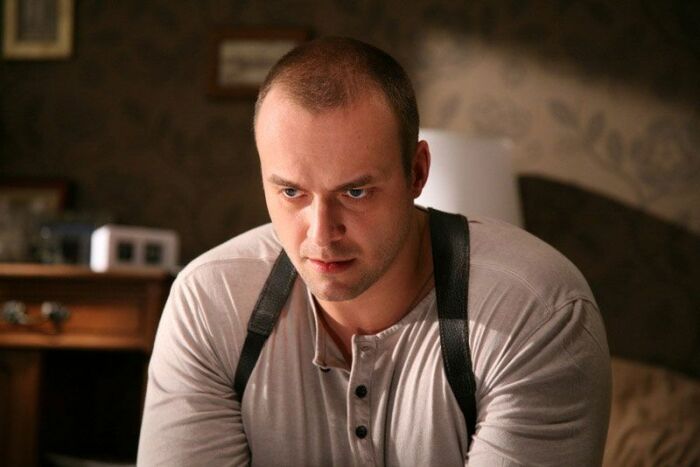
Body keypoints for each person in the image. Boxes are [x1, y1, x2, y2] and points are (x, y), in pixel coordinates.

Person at [137, 37, 611, 466]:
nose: (321, 234)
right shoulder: (210, 301)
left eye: (355, 192)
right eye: (291, 192)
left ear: (417, 173)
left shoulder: (536, 310)